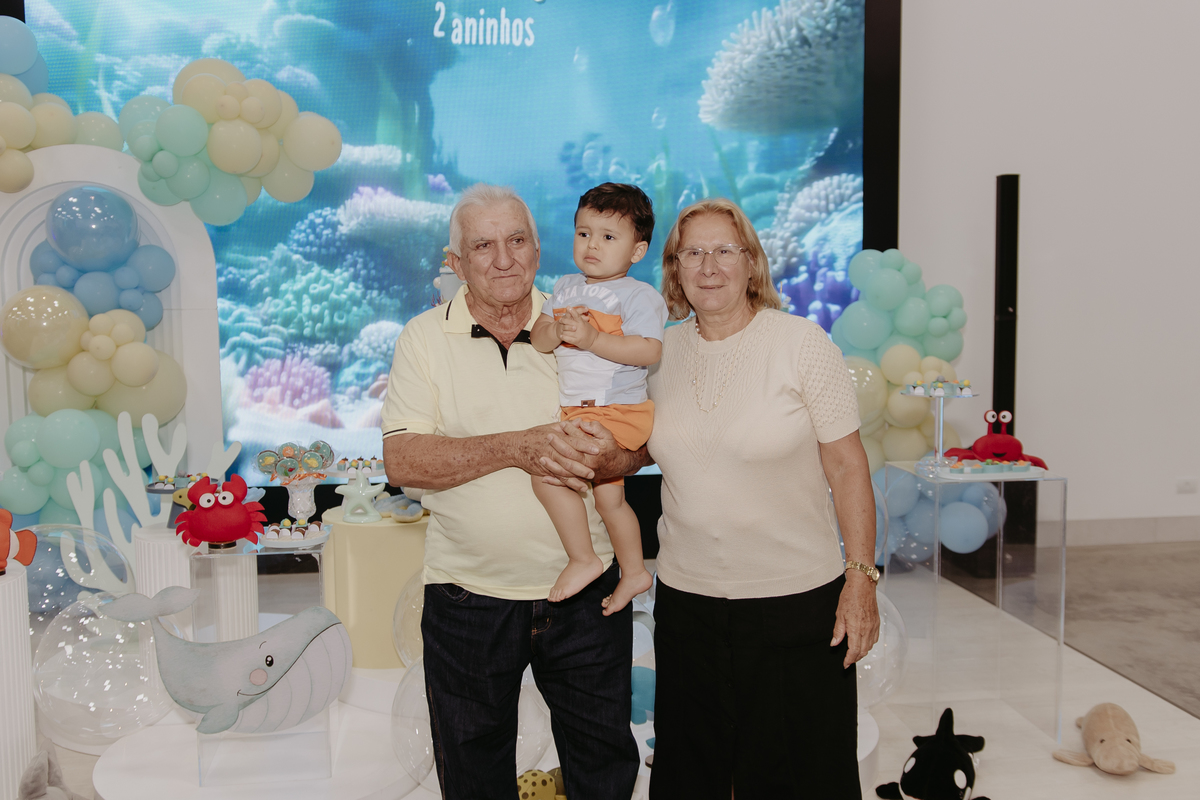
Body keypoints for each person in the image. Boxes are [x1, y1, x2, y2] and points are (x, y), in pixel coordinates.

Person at [381, 184, 644, 800]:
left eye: (517, 240)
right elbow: (403, 460)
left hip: (590, 602)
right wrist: (516, 446)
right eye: (483, 246)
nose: (504, 260)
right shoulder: (422, 338)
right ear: (456, 262)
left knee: (604, 769)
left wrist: (616, 455)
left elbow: (643, 438)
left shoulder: (585, 323)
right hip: (467, 598)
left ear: (537, 248)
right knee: (472, 777)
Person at [645, 198, 880, 798]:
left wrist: (860, 579)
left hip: (795, 605)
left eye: (725, 250)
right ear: (674, 269)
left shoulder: (802, 344)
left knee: (803, 778)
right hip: (687, 605)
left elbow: (848, 466)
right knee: (690, 777)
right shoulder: (656, 355)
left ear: (751, 262)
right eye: (692, 253)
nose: (709, 266)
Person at [531, 183, 666, 614]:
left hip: (617, 411)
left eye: (608, 237)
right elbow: (538, 337)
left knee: (547, 475)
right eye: (584, 233)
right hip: (579, 411)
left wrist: (592, 339)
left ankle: (584, 558)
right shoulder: (565, 286)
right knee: (610, 499)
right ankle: (636, 571)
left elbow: (649, 350)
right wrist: (556, 330)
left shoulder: (639, 295)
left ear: (637, 250)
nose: (592, 245)